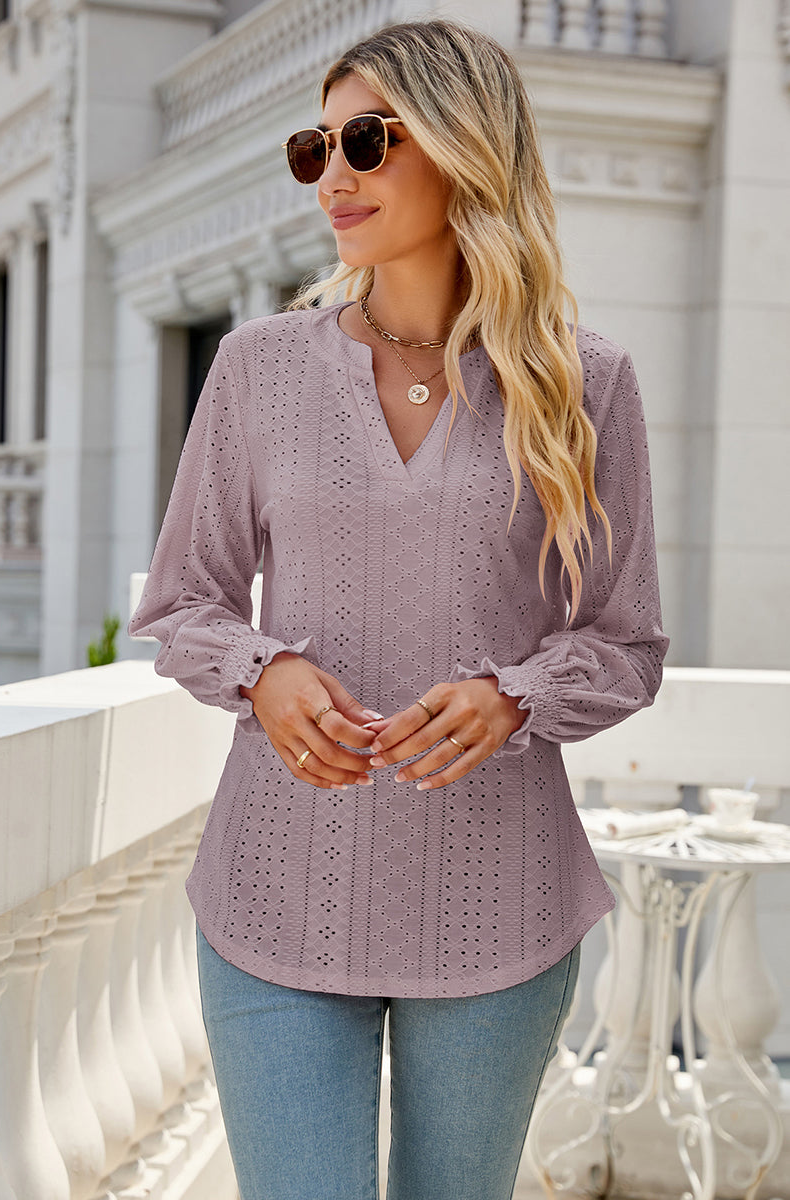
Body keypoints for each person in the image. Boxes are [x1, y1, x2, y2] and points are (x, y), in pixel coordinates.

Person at [129, 18, 668, 1200]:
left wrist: (512, 697)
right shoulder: (258, 368)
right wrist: (263, 672)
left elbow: (624, 643)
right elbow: (183, 602)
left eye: (366, 141)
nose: (332, 174)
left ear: (464, 146)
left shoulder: (584, 384)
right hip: (275, 893)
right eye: (314, 148)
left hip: (496, 906)